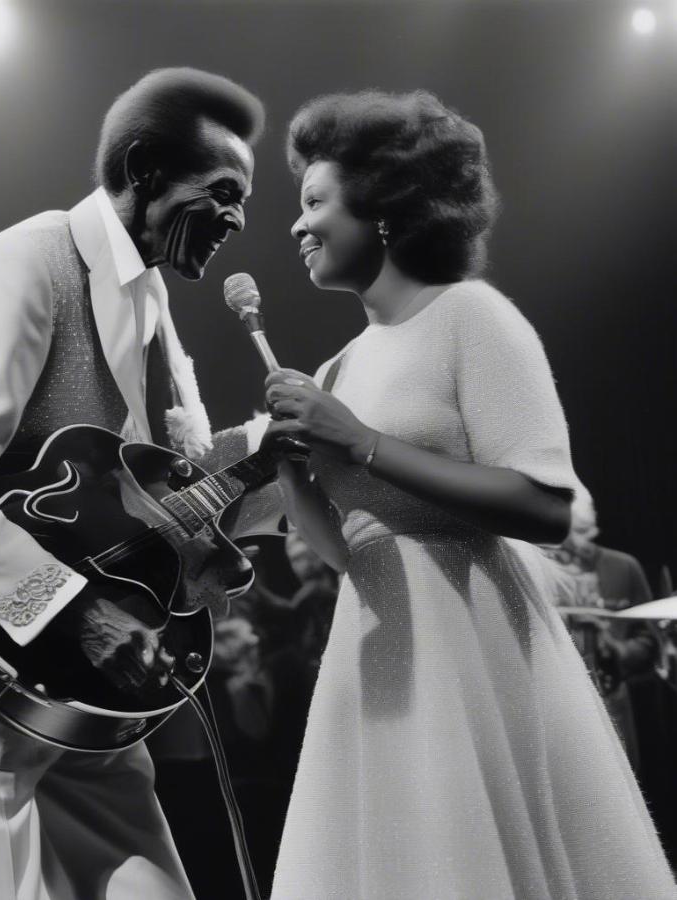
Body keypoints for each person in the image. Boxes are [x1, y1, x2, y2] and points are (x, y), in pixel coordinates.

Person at [261, 89, 677, 898]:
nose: (296, 224)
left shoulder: (472, 317)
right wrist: (289, 472)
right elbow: (351, 551)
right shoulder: (339, 369)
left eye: (315, 202)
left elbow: (547, 506)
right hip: (376, 646)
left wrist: (359, 441)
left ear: (380, 208)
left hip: (474, 643)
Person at [0, 68, 264, 900]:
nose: (237, 218)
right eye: (223, 192)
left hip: (90, 708)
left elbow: (134, 488)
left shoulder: (151, 298)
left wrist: (262, 467)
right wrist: (75, 611)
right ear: (147, 167)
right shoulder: (29, 260)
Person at [542, 483, 658, 771]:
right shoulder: (535, 567)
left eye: (591, 528)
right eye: (580, 531)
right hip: (555, 706)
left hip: (612, 701)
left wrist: (614, 646)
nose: (591, 537)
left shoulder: (623, 567)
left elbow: (652, 641)